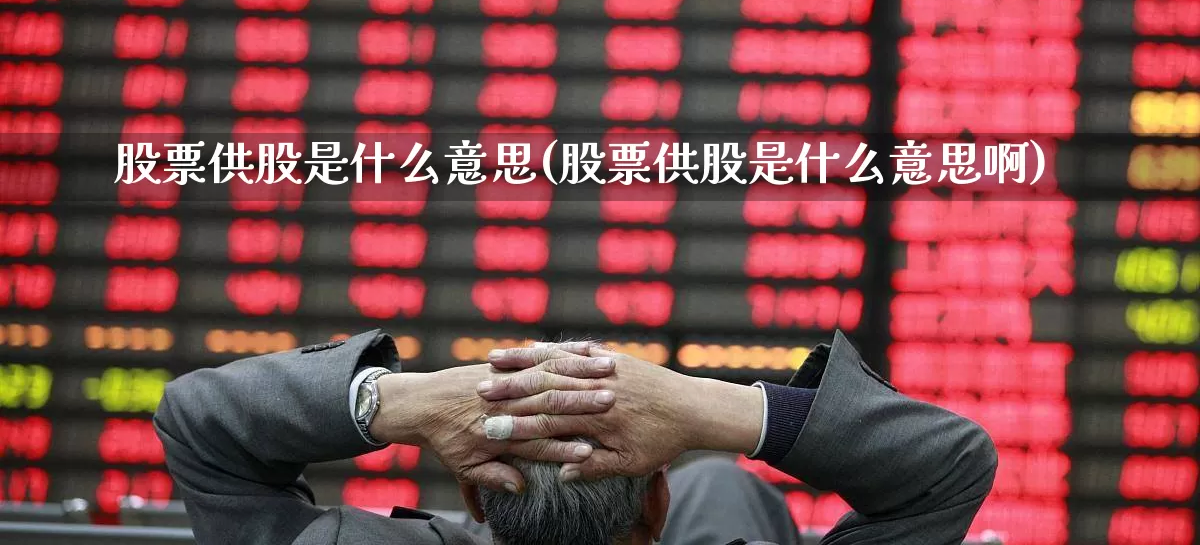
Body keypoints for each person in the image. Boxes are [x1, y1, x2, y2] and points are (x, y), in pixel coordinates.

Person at [154, 329, 997, 545]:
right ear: (654, 507)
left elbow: (199, 421)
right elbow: (951, 465)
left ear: (474, 493)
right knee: (723, 487)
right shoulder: (686, 504)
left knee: (718, 488)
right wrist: (710, 409)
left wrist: (407, 399)